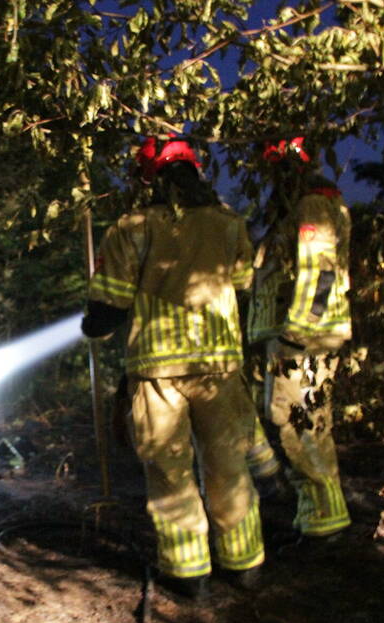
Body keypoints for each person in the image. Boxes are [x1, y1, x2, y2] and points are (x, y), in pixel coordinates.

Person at [82, 137, 264, 599]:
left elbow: (110, 304)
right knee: (228, 466)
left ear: (149, 178)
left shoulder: (133, 226)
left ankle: (188, 575)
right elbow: (243, 282)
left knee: (169, 473)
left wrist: (93, 326)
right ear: (196, 172)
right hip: (220, 367)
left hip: (157, 373)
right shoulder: (228, 223)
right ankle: (244, 565)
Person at [245, 136, 353, 539]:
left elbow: (320, 272)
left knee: (302, 427)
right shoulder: (300, 208)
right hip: (294, 335)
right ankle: (318, 518)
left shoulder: (311, 206)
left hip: (305, 339)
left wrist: (298, 333)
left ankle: (324, 526)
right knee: (296, 423)